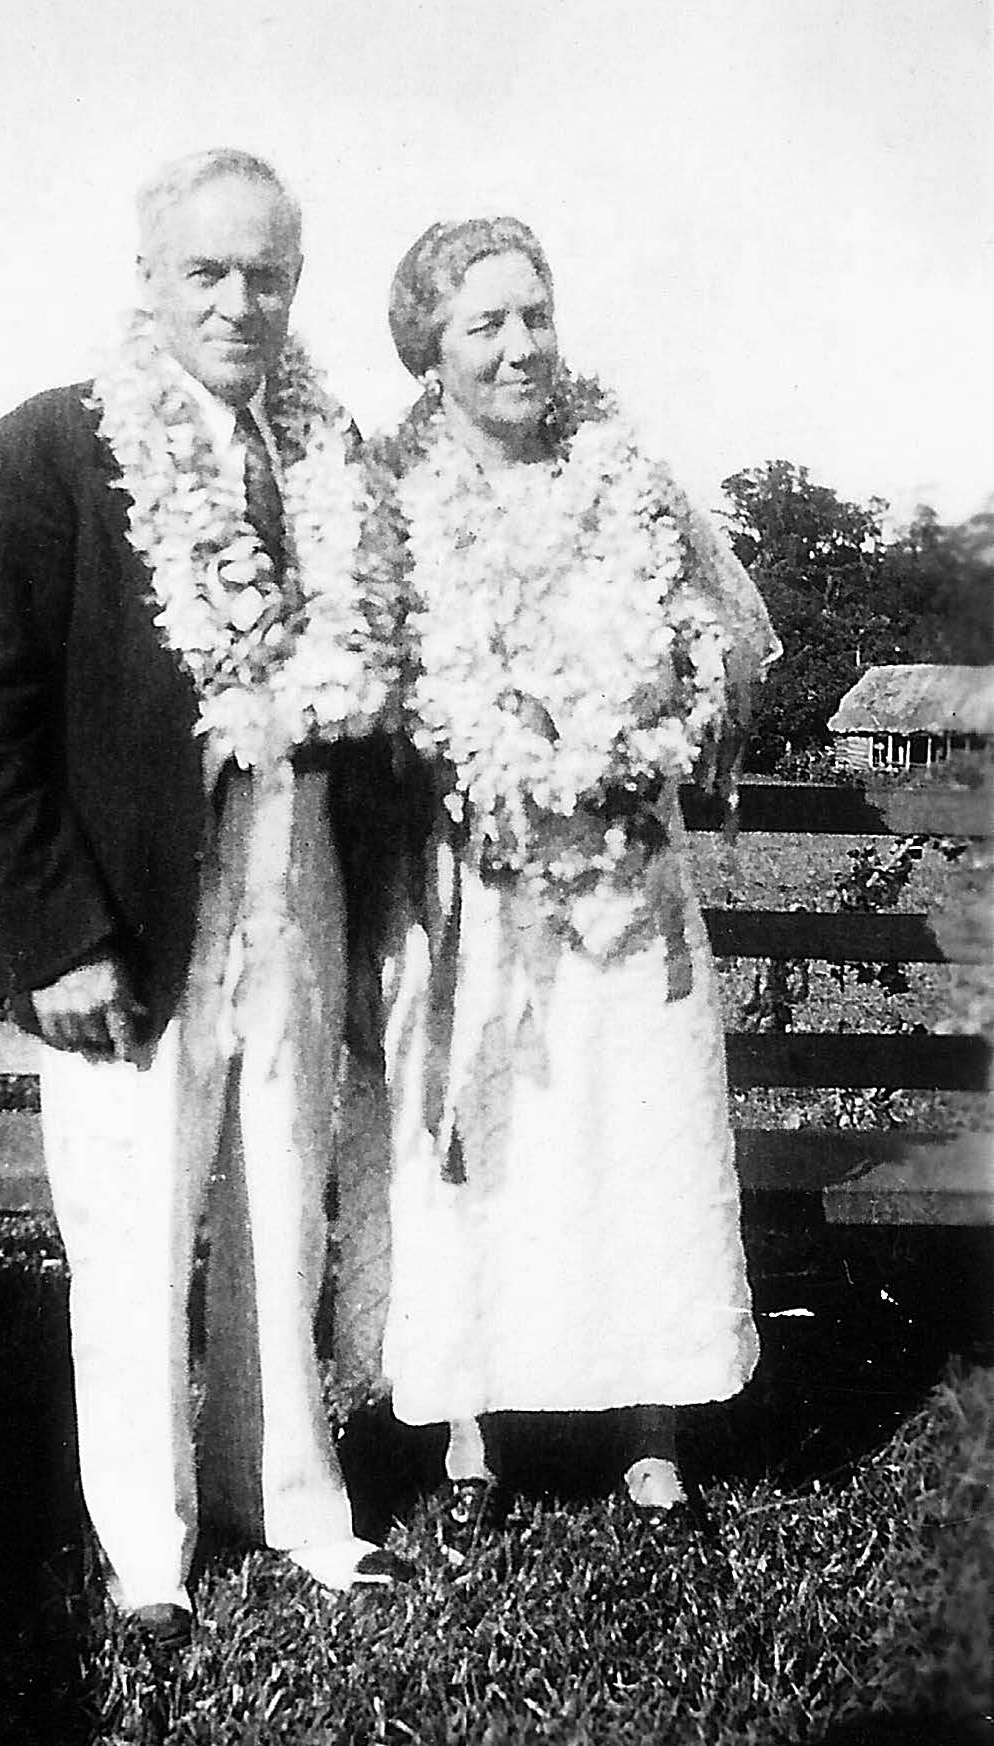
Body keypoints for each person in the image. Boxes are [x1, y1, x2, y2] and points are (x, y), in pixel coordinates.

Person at [0, 149, 411, 1660]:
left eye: (267, 272)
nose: (239, 300)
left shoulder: (337, 456)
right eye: (205, 270)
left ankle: (296, 1502)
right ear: (148, 279)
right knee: (134, 1231)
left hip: (297, 893)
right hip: (128, 923)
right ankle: (150, 1553)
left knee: (285, 1205)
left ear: (297, 284)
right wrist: (55, 931)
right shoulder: (51, 450)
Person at [369, 216, 778, 1538]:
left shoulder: (632, 480)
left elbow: (719, 658)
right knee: (494, 1139)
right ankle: (474, 1433)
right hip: (478, 876)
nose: (520, 345)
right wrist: (469, 749)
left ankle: (652, 1434)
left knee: (634, 1125)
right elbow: (376, 687)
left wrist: (652, 726)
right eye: (483, 322)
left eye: (534, 314)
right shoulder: (390, 505)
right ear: (428, 350)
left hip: (627, 873)